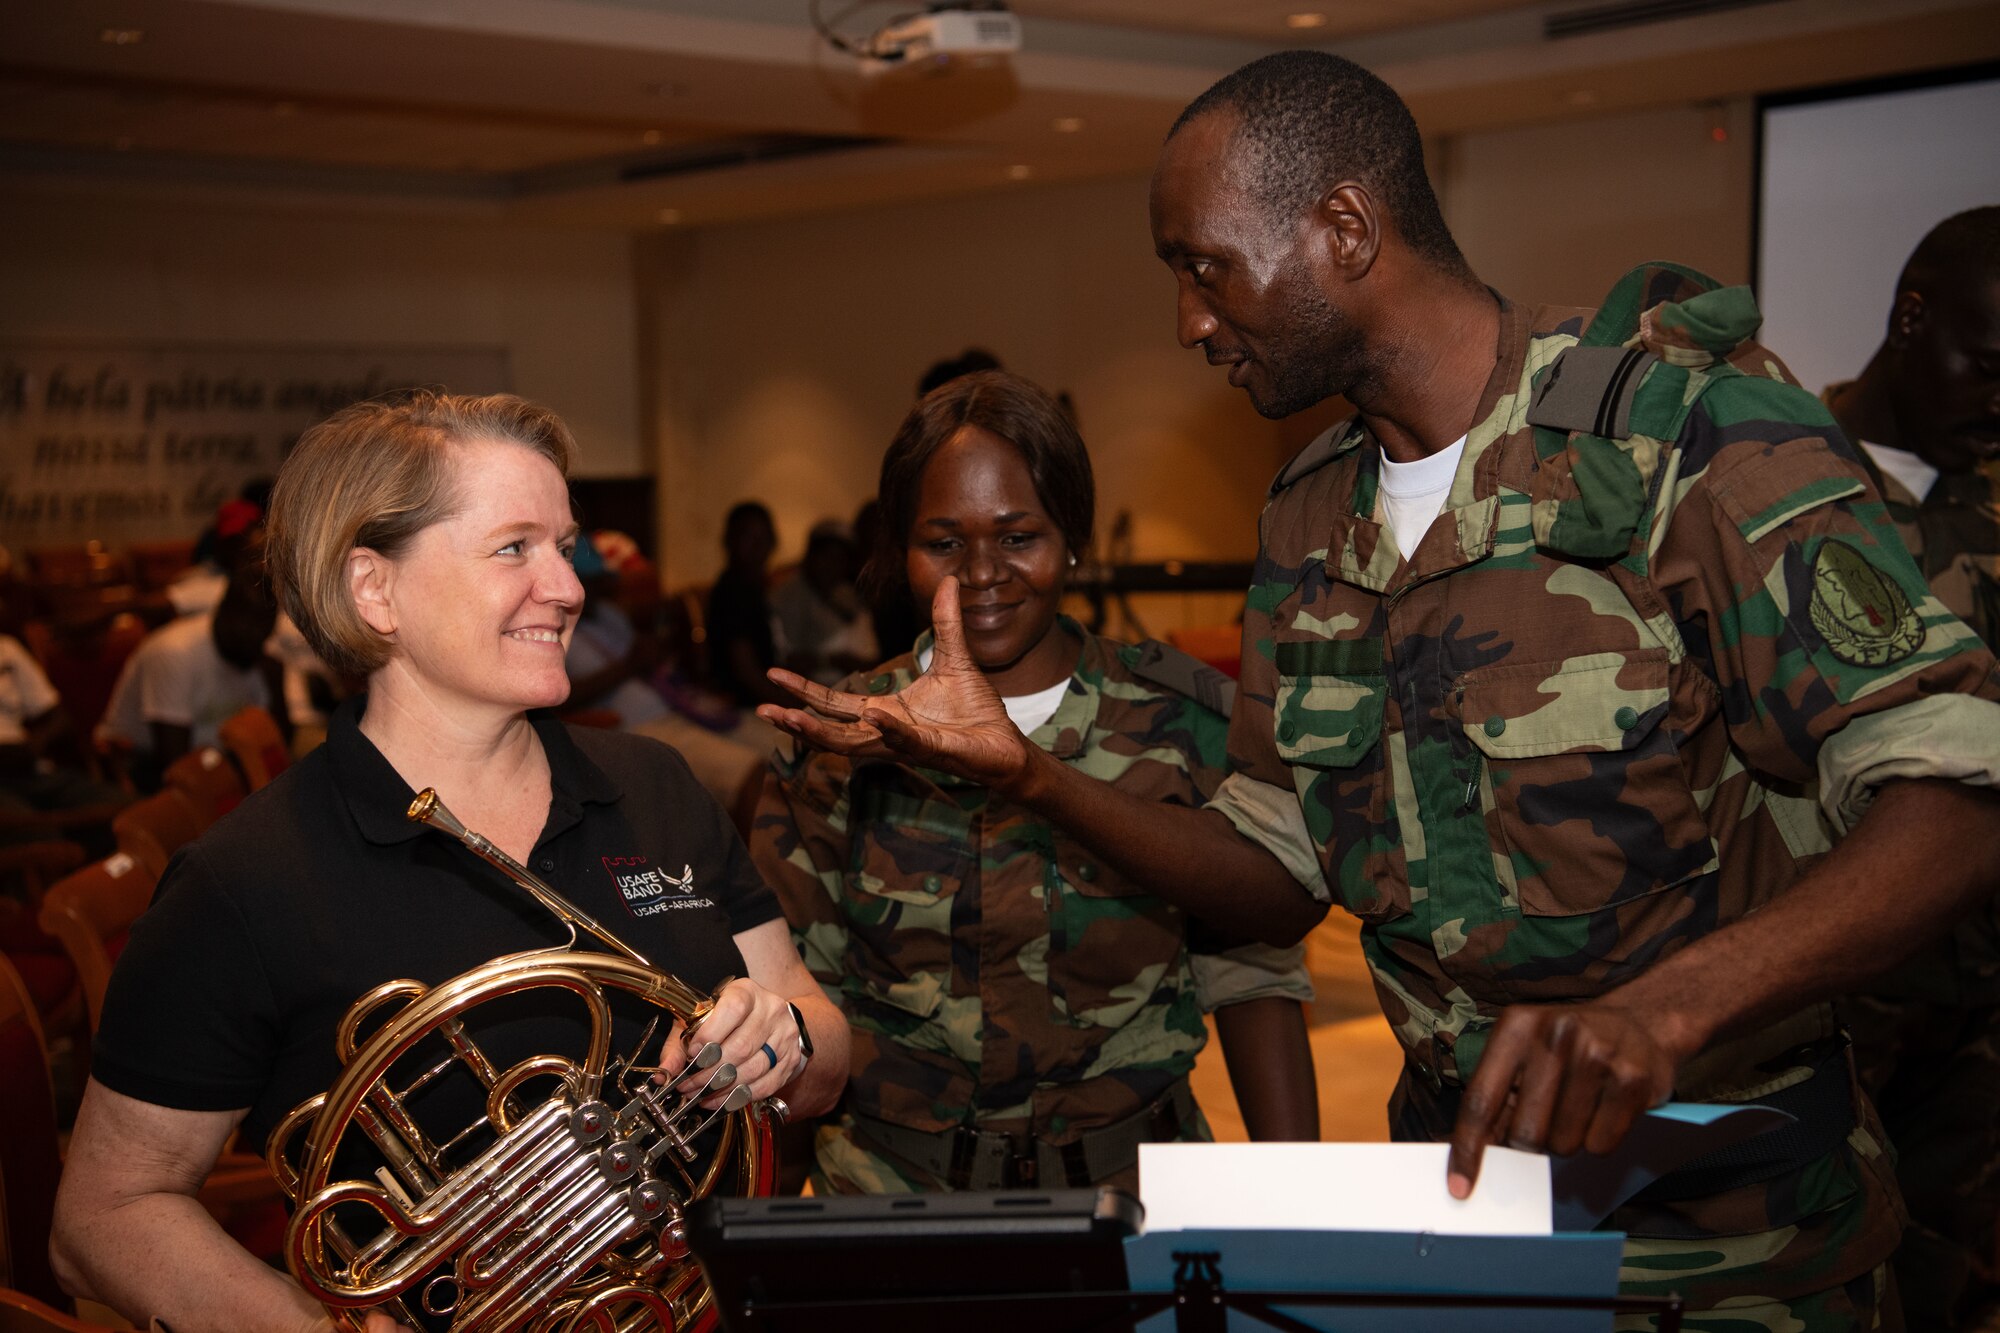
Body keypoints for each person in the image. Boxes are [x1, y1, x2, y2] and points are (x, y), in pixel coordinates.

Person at [759, 51, 2000, 1325]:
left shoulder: (1684, 433)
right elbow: (1269, 872)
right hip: (1457, 1220)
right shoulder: (1310, 517)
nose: (1189, 321)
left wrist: (1667, 1006)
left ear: (1341, 230)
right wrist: (1032, 775)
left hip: (1729, 1244)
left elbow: (1954, 802)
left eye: (1204, 266)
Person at [51, 392, 847, 1333]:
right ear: (373, 589)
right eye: (515, 548)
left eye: (565, 544)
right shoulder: (244, 880)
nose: (567, 585)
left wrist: (782, 1037)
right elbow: (103, 1214)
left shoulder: (656, 785)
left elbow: (824, 1050)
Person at [750, 370, 1317, 1195]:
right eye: (943, 543)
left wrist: (1301, 1209)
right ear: (899, 549)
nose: (982, 574)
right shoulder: (841, 741)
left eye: (1019, 537)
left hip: (1129, 1197)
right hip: (896, 1201)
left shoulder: (1188, 724)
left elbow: (1254, 973)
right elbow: (796, 1015)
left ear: (1072, 537)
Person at [1823, 206, 2000, 1329]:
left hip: (1979, 986)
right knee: (1818, 1263)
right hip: (1819, 986)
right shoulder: (1768, 473)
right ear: (1907, 318)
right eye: (1985, 364)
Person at [95, 547, 289, 789]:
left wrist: (275, 686)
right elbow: (175, 765)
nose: (254, 639)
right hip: (140, 762)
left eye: (262, 631)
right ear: (223, 613)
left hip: (216, 760)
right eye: (247, 630)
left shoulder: (259, 653)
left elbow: (275, 746)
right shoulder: (174, 653)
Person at [770, 519, 878, 686]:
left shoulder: (848, 594)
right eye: (826, 555)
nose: (832, 564)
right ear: (810, 556)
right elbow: (788, 660)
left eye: (840, 558)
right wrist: (832, 661)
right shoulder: (788, 596)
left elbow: (870, 659)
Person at [705, 501, 790, 710]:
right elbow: (746, 672)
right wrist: (792, 705)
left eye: (763, 537)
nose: (757, 545)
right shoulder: (733, 592)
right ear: (730, 540)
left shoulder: (755, 588)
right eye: (748, 536)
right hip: (745, 709)